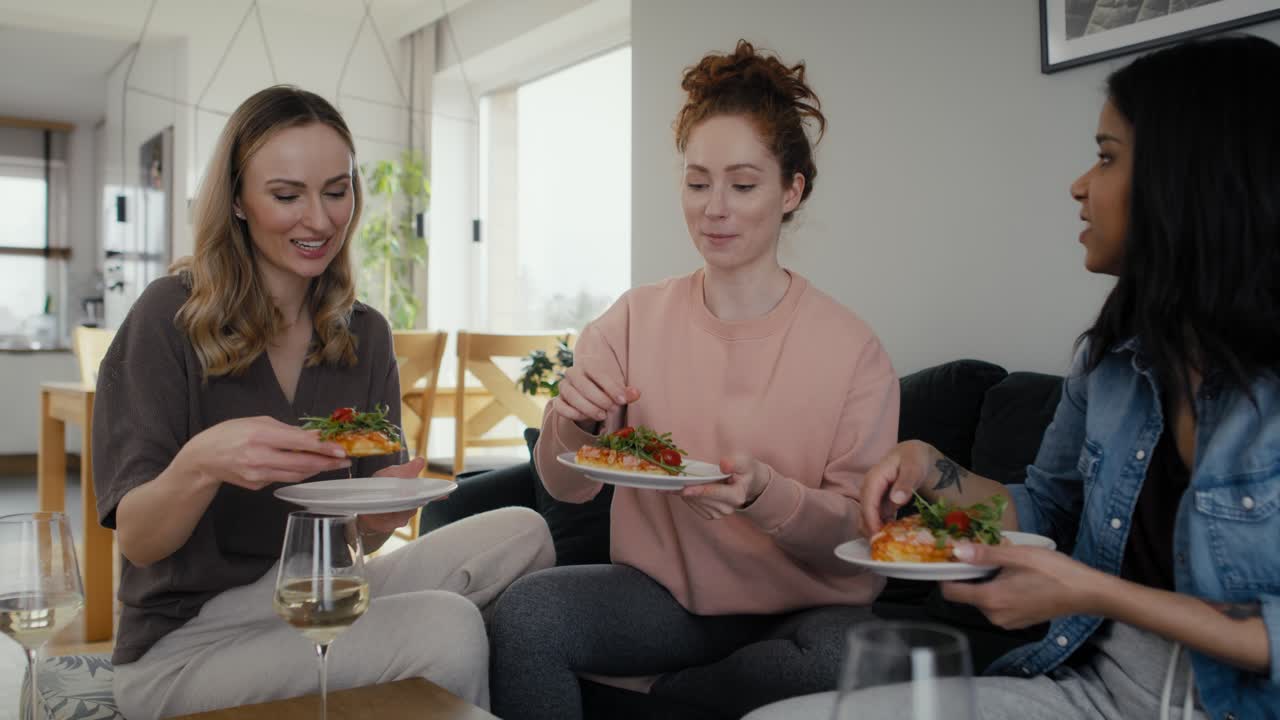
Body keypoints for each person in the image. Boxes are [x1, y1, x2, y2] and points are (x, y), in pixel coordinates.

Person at [93, 85, 554, 718]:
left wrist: (381, 512)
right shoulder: (167, 316)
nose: (320, 219)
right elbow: (141, 542)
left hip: (310, 593)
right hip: (186, 642)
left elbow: (357, 533)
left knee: (524, 531)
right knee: (445, 627)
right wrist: (202, 463)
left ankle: (384, 678)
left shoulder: (364, 332)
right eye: (287, 195)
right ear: (237, 201)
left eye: (336, 191)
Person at [857, 35, 1280, 720]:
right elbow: (1042, 515)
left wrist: (1092, 591)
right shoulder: (1110, 360)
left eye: (1107, 156)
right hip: (1096, 692)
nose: (1079, 184)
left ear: (1189, 180)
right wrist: (934, 471)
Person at [489, 40, 900, 719]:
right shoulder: (632, 319)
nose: (715, 208)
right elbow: (567, 484)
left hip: (807, 611)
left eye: (742, 185)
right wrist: (572, 424)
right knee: (529, 616)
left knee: (852, 659)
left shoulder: (853, 350)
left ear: (791, 190)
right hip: (663, 602)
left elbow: (859, 542)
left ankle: (684, 698)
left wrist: (769, 495)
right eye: (696, 180)